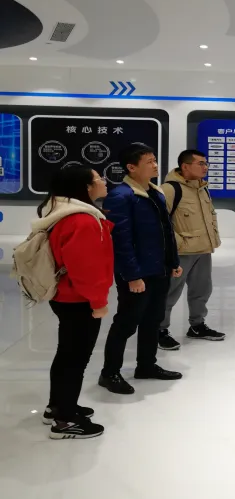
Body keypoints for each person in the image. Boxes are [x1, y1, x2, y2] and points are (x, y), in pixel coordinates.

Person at [36, 166, 113, 440]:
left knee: (66, 354)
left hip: (66, 296)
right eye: (98, 178)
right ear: (86, 187)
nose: (104, 181)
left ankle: (58, 406)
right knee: (75, 359)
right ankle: (65, 421)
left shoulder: (64, 212)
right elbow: (85, 268)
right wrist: (98, 302)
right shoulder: (82, 220)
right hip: (79, 299)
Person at [100, 144, 183, 395]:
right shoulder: (121, 196)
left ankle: (146, 365)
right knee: (126, 323)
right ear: (131, 167)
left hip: (159, 269)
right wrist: (133, 275)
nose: (155, 165)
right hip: (137, 273)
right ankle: (110, 373)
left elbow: (166, 231)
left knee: (153, 320)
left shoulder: (156, 193)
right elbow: (121, 241)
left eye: (155, 160)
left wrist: (173, 262)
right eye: (149, 162)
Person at [158, 149, 225, 351]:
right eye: (200, 163)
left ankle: (197, 325)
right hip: (180, 253)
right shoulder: (169, 189)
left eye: (206, 163)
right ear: (185, 166)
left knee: (202, 291)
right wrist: (177, 244)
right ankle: (159, 330)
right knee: (169, 293)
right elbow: (160, 222)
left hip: (203, 250)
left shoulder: (202, 188)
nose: (205, 167)